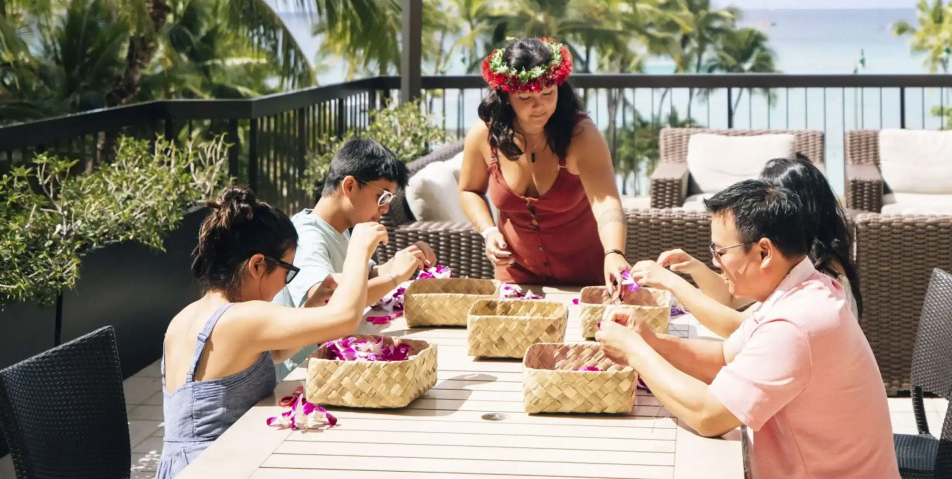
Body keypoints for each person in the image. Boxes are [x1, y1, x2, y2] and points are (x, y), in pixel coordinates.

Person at [596, 178, 897, 479]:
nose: (715, 262)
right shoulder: (801, 289)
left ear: (764, 252)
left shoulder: (796, 323)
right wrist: (649, 340)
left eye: (720, 251)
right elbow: (724, 357)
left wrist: (635, 353)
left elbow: (708, 415)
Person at [158, 187, 384, 479]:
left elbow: (273, 352)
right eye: (287, 271)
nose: (285, 283)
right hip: (214, 468)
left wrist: (310, 309)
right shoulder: (241, 316)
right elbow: (344, 319)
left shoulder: (186, 316)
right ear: (257, 264)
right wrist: (358, 252)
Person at [458, 37, 630, 288]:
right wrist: (488, 231)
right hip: (516, 278)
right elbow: (469, 190)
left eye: (548, 93)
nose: (539, 106)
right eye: (525, 98)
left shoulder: (581, 135)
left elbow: (606, 203)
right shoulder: (483, 136)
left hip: (586, 278)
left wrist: (614, 253)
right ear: (506, 96)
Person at [630, 156, 860, 338]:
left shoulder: (820, 278)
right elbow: (730, 299)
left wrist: (672, 283)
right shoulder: (796, 263)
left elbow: (738, 328)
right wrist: (695, 267)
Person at [271, 137, 436, 373]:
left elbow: (364, 276)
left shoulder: (340, 229)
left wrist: (404, 260)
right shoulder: (307, 237)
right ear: (349, 186)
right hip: (304, 374)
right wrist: (394, 278)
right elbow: (330, 301)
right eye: (383, 196)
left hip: (334, 364)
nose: (386, 208)